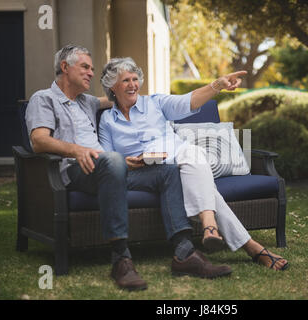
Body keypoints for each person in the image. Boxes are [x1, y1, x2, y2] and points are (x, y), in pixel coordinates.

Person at [25, 44, 233, 291]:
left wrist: (132, 89)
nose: (91, 73)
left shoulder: (86, 102)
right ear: (64, 67)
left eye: (92, 69)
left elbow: (118, 93)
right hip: (75, 170)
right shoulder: (43, 99)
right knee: (112, 159)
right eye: (85, 67)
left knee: (167, 171)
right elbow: (38, 141)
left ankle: (184, 252)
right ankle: (121, 259)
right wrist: (78, 150)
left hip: (109, 170)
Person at [99, 57, 289, 271]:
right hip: (144, 172)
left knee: (192, 154)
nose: (133, 84)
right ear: (113, 86)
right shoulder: (107, 120)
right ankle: (228, 235)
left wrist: (217, 85)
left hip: (175, 160)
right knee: (196, 161)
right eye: (125, 80)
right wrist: (126, 162)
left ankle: (219, 231)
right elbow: (107, 157)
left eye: (135, 79)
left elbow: (188, 101)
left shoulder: (155, 103)